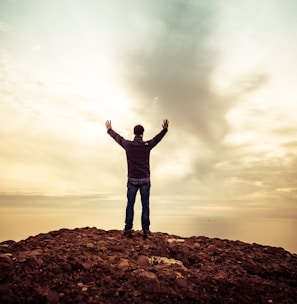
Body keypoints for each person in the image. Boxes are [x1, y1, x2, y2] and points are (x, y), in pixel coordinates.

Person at [105, 119, 169, 238]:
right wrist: (164, 130)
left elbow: (118, 138)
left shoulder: (128, 145)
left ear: (134, 133)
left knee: (130, 205)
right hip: (145, 179)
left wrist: (109, 130)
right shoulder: (147, 146)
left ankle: (128, 229)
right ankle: (146, 231)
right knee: (145, 205)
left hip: (132, 180)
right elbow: (157, 139)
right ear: (142, 133)